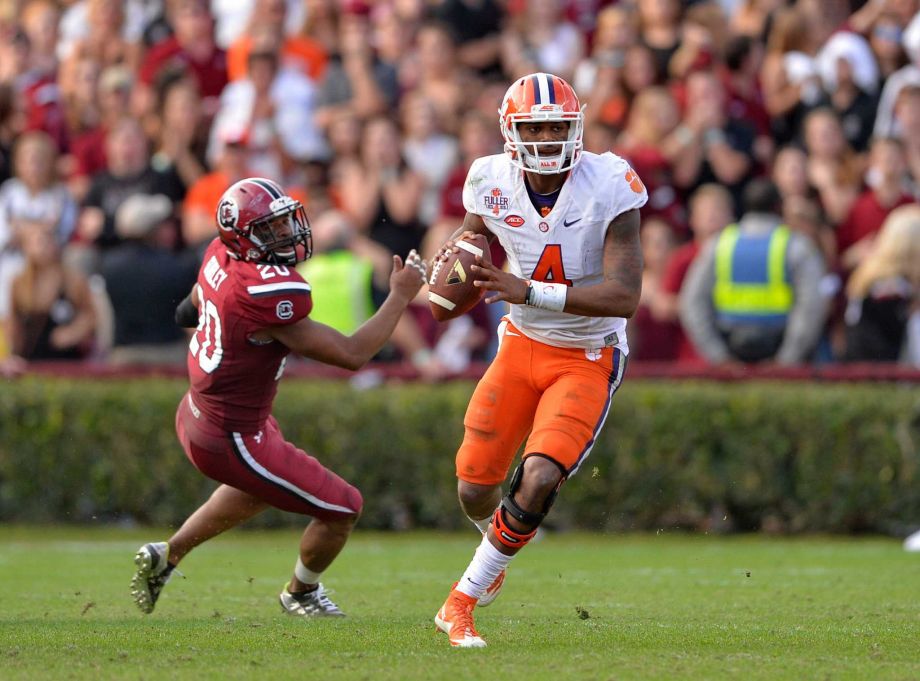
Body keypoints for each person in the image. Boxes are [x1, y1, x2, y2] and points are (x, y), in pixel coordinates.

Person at [130, 176, 428, 617]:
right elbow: (352, 354)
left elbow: (188, 308)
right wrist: (401, 295)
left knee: (254, 491)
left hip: (202, 413)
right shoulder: (264, 294)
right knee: (343, 507)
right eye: (271, 230)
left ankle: (167, 556)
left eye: (285, 223)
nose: (287, 235)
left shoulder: (218, 255)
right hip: (231, 434)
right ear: (244, 238)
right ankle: (301, 594)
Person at [430, 72, 647, 647]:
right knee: (474, 488)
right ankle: (494, 546)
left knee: (540, 474)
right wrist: (449, 268)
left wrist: (527, 290)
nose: (548, 137)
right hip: (521, 344)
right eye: (535, 127)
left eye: (557, 126)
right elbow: (473, 237)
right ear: (511, 132)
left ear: (576, 128)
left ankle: (463, 598)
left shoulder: (611, 182)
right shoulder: (489, 179)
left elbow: (625, 295)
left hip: (588, 352)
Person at [679, 178, 828, 365]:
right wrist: (786, 360)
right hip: (779, 349)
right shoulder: (797, 247)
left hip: (730, 349)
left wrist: (720, 358)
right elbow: (811, 307)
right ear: (778, 207)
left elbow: (692, 303)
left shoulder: (719, 245)